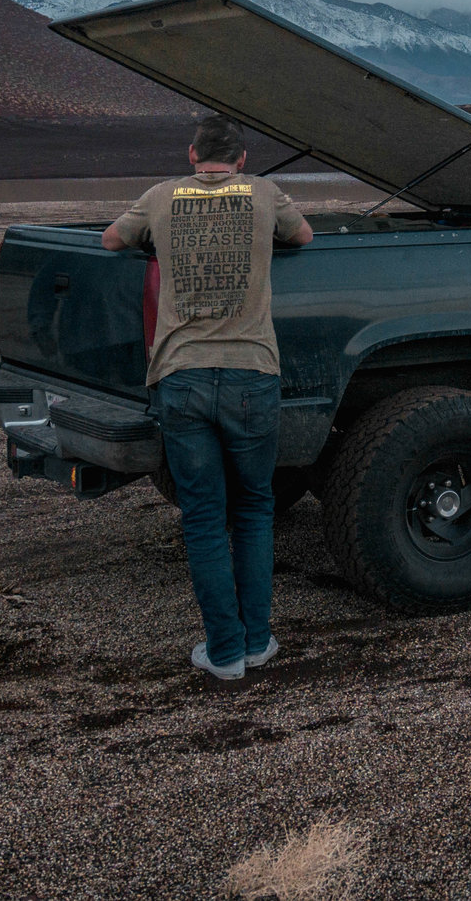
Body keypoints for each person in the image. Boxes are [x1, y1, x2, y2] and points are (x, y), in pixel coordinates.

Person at [103, 114, 312, 680]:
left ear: (192, 154)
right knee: (253, 509)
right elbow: (303, 236)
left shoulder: (162, 194)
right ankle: (258, 641)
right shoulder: (263, 192)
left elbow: (111, 239)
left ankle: (223, 653)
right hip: (251, 373)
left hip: (182, 376)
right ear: (242, 159)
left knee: (203, 517)